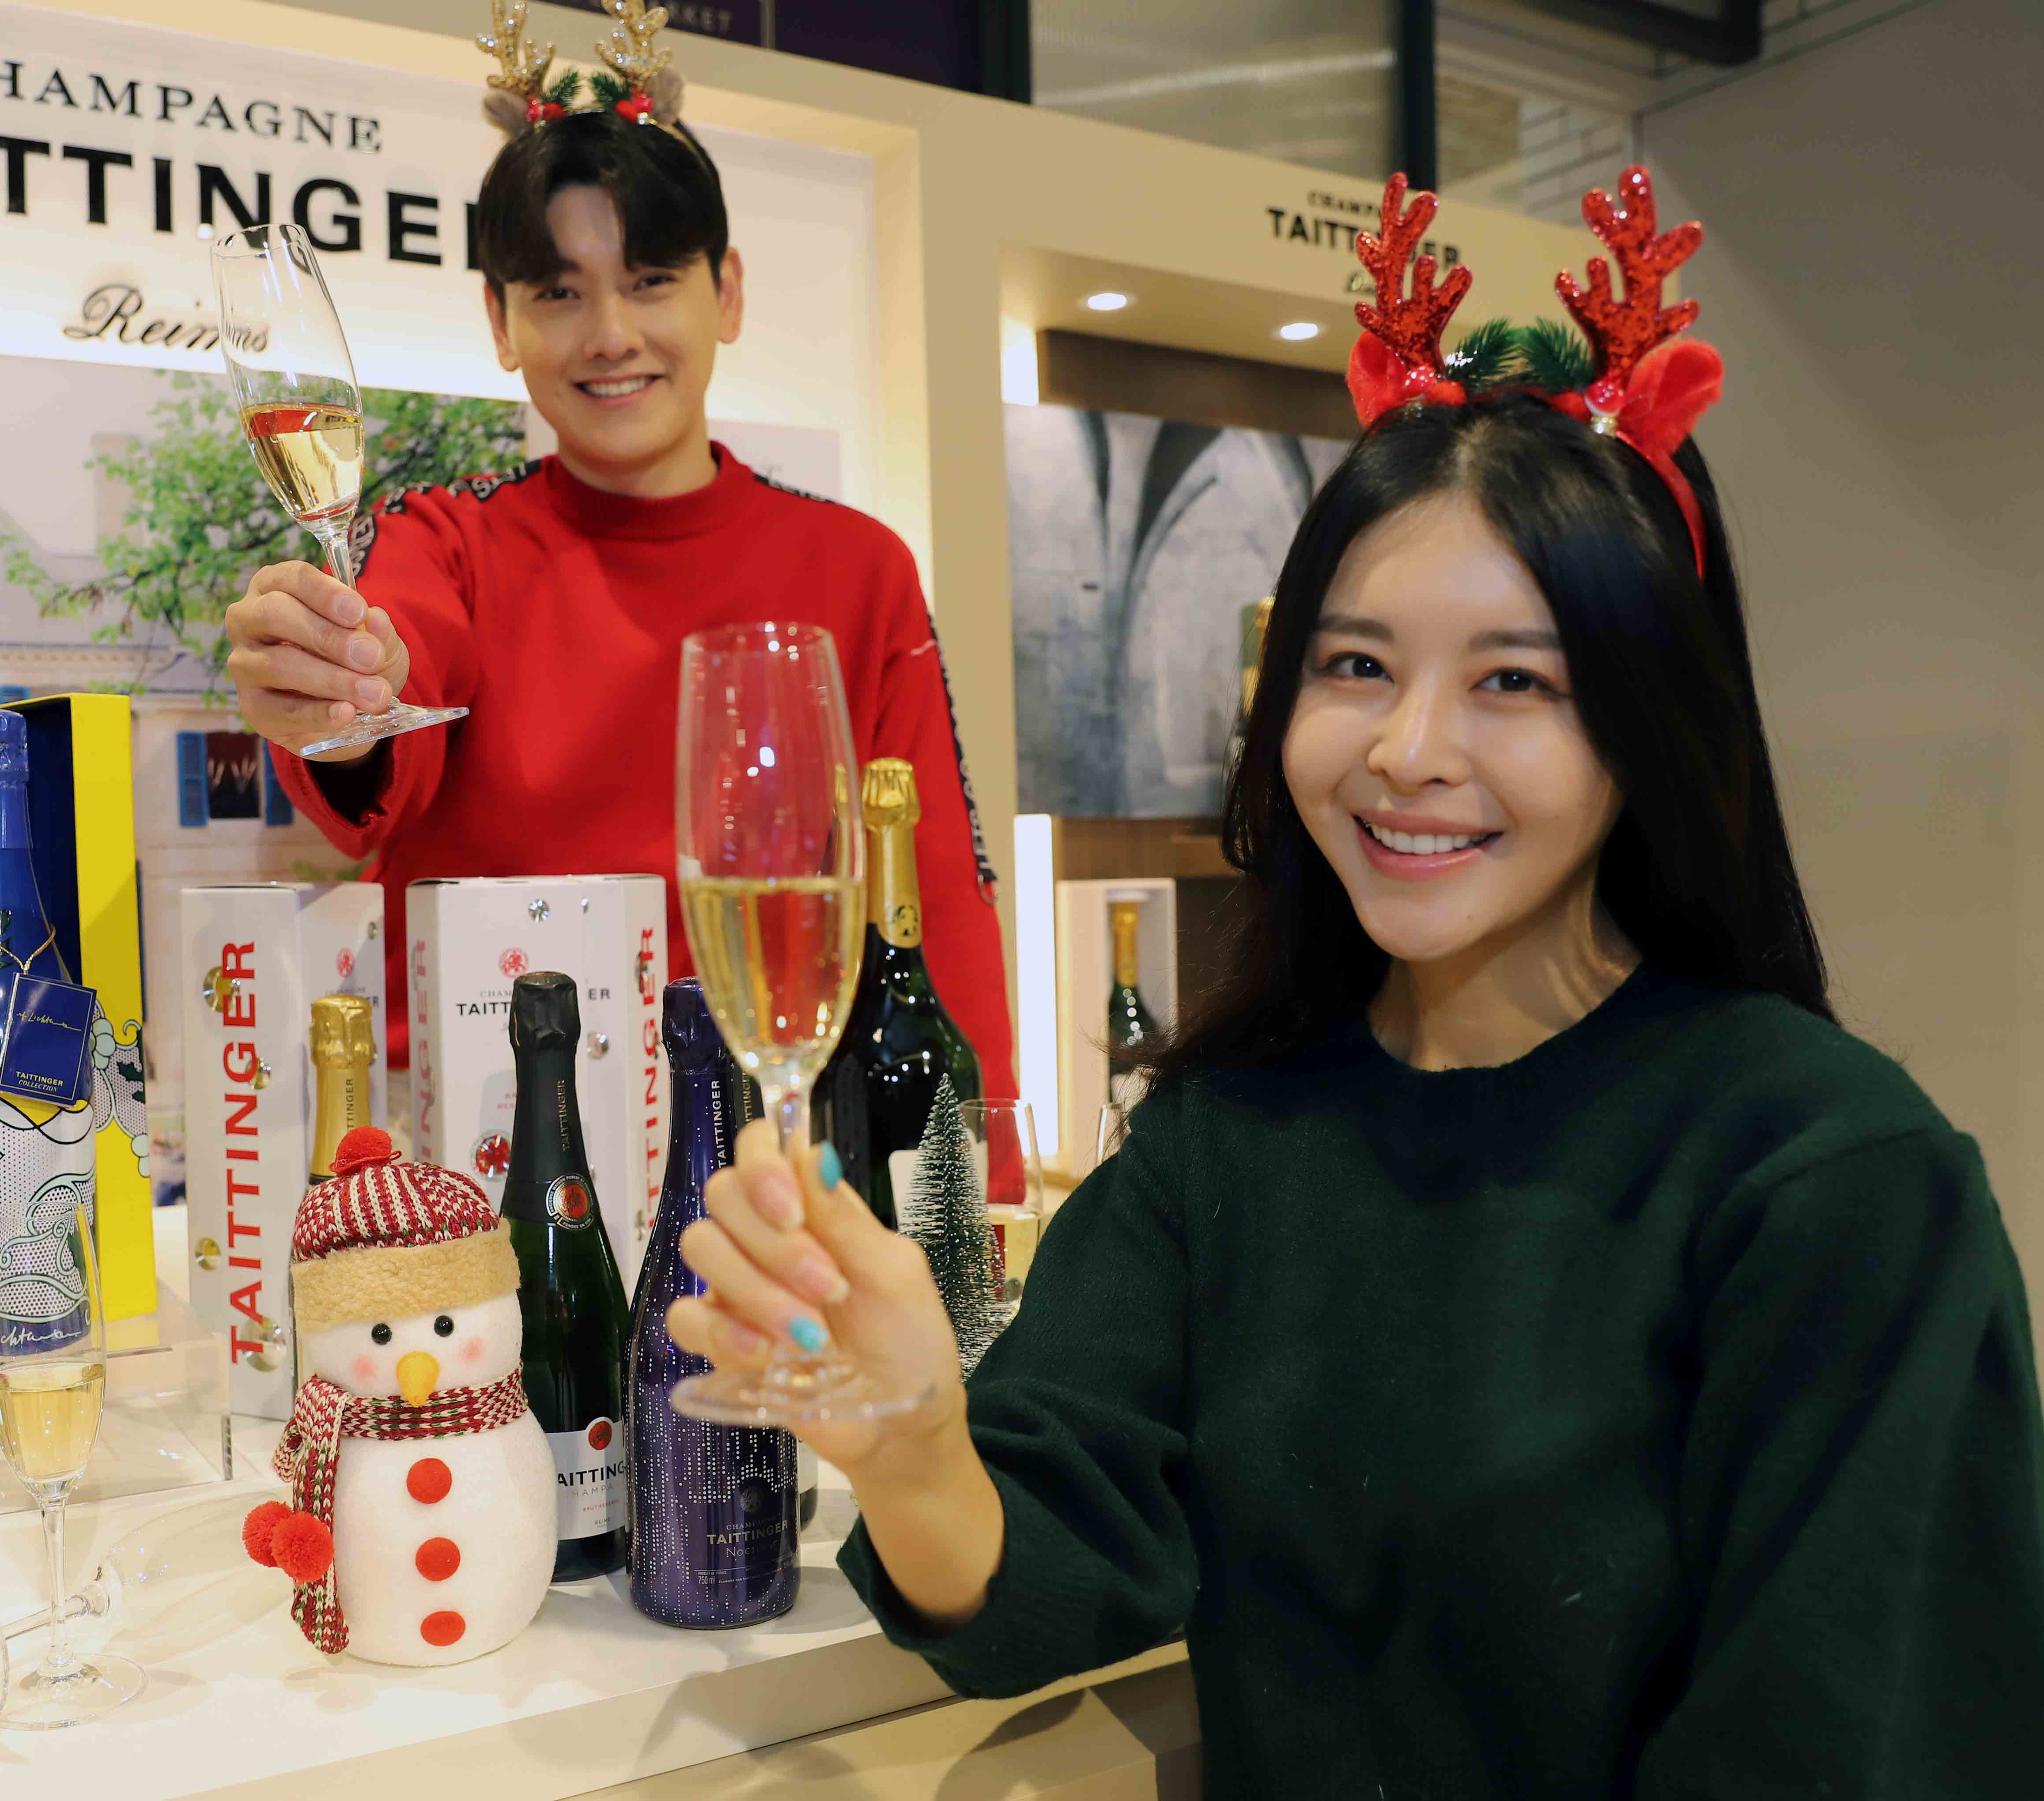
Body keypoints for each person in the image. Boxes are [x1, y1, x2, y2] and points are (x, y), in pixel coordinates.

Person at [665, 171, 2044, 1794]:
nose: (1406, 750)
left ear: (1650, 726)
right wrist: (911, 1444)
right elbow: (1041, 1562)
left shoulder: (1830, 1175)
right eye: (1354, 665)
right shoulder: (1225, 1140)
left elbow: (1854, 1738)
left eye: (1513, 680)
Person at [224, 23, 1012, 1092]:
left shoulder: (857, 568)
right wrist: (338, 683)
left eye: (650, 280)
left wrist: (976, 1163)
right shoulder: (441, 539)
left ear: (727, 292)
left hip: (750, 1146)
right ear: (499, 320)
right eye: (558, 292)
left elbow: (936, 895)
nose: (609, 333)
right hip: (470, 1145)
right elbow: (397, 659)